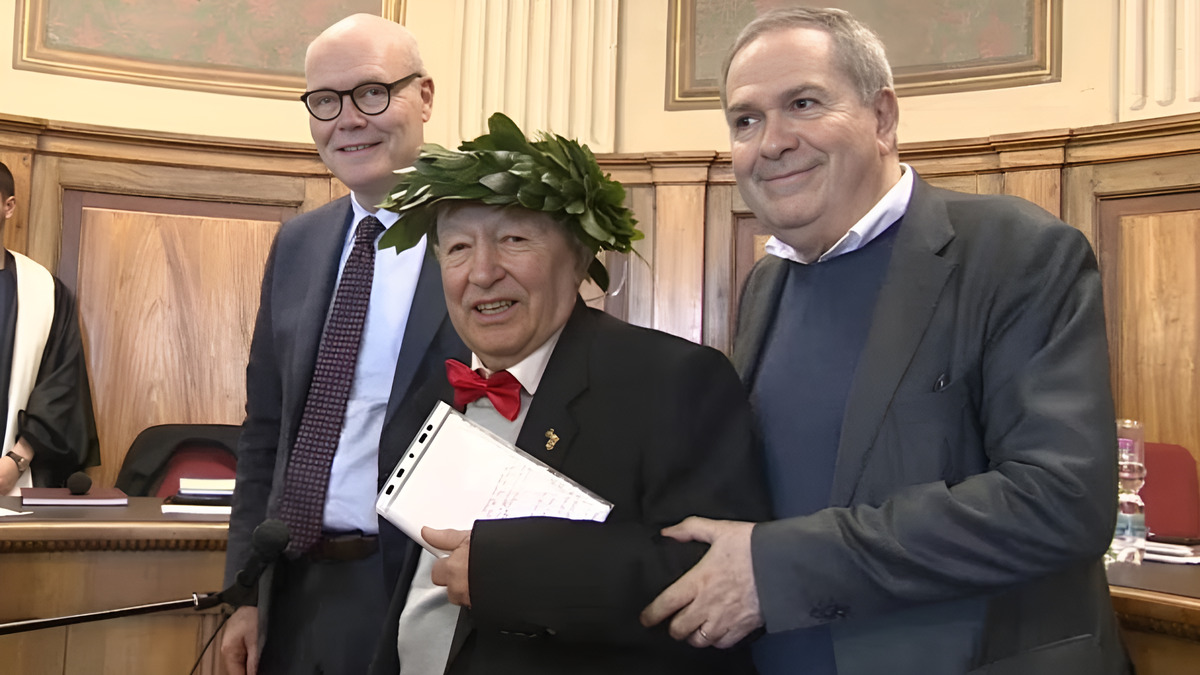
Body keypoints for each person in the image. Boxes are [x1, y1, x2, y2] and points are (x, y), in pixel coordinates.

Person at [639, 8, 1130, 675]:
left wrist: (778, 569)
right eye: (745, 120)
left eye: (803, 103)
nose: (771, 142)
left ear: (882, 117)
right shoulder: (767, 284)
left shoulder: (1016, 250)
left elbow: (1060, 501)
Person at [367, 113, 771, 674]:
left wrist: (513, 573)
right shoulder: (426, 400)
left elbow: (711, 579)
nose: (481, 272)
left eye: (513, 239)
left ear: (579, 257)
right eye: (457, 248)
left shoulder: (676, 381)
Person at [221, 14, 466, 675]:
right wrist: (246, 590)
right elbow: (265, 430)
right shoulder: (298, 243)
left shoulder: (482, 233)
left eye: (372, 92)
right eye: (325, 101)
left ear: (424, 96)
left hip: (421, 590)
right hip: (292, 588)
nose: (349, 119)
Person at [0, 161, 99, 496]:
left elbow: (61, 386)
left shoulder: (43, 291)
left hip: (13, 478)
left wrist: (17, 460)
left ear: (8, 206)